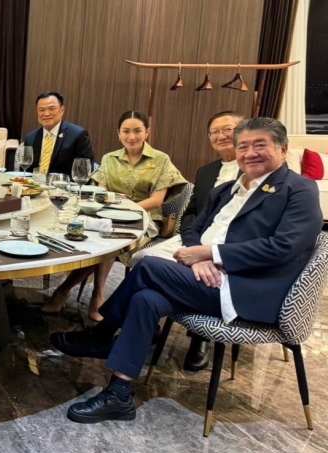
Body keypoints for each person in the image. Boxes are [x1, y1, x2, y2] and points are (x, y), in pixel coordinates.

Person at [49, 117, 322, 424]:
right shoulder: (226, 190)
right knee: (146, 300)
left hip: (245, 289)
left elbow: (283, 247)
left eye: (260, 145)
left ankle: (101, 334)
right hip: (204, 277)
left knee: (148, 265)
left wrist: (210, 253)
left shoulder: (299, 189)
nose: (250, 153)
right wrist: (199, 257)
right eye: (243, 146)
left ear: (283, 149)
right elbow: (192, 229)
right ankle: (119, 393)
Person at [41, 110, 187, 321]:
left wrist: (125, 208)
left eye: (137, 131)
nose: (132, 136)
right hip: (107, 215)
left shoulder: (161, 159)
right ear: (118, 133)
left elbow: (156, 201)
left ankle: (91, 294)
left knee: (109, 239)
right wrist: (108, 204)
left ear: (147, 132)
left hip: (143, 218)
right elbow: (100, 192)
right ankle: (65, 290)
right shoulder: (110, 159)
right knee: (87, 234)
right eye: (126, 131)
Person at [129, 110, 245, 371]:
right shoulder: (206, 172)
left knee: (186, 271)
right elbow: (191, 213)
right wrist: (194, 248)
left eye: (228, 129)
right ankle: (149, 323)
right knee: (141, 257)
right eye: (214, 132)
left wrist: (207, 254)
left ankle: (200, 337)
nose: (221, 136)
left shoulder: (253, 170)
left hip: (226, 246)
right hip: (195, 238)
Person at [21, 91, 94, 177]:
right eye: (41, 110)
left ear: (62, 110)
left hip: (65, 185)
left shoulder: (78, 135)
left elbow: (83, 173)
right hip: (34, 184)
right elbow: (24, 171)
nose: (46, 114)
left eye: (51, 109)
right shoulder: (31, 138)